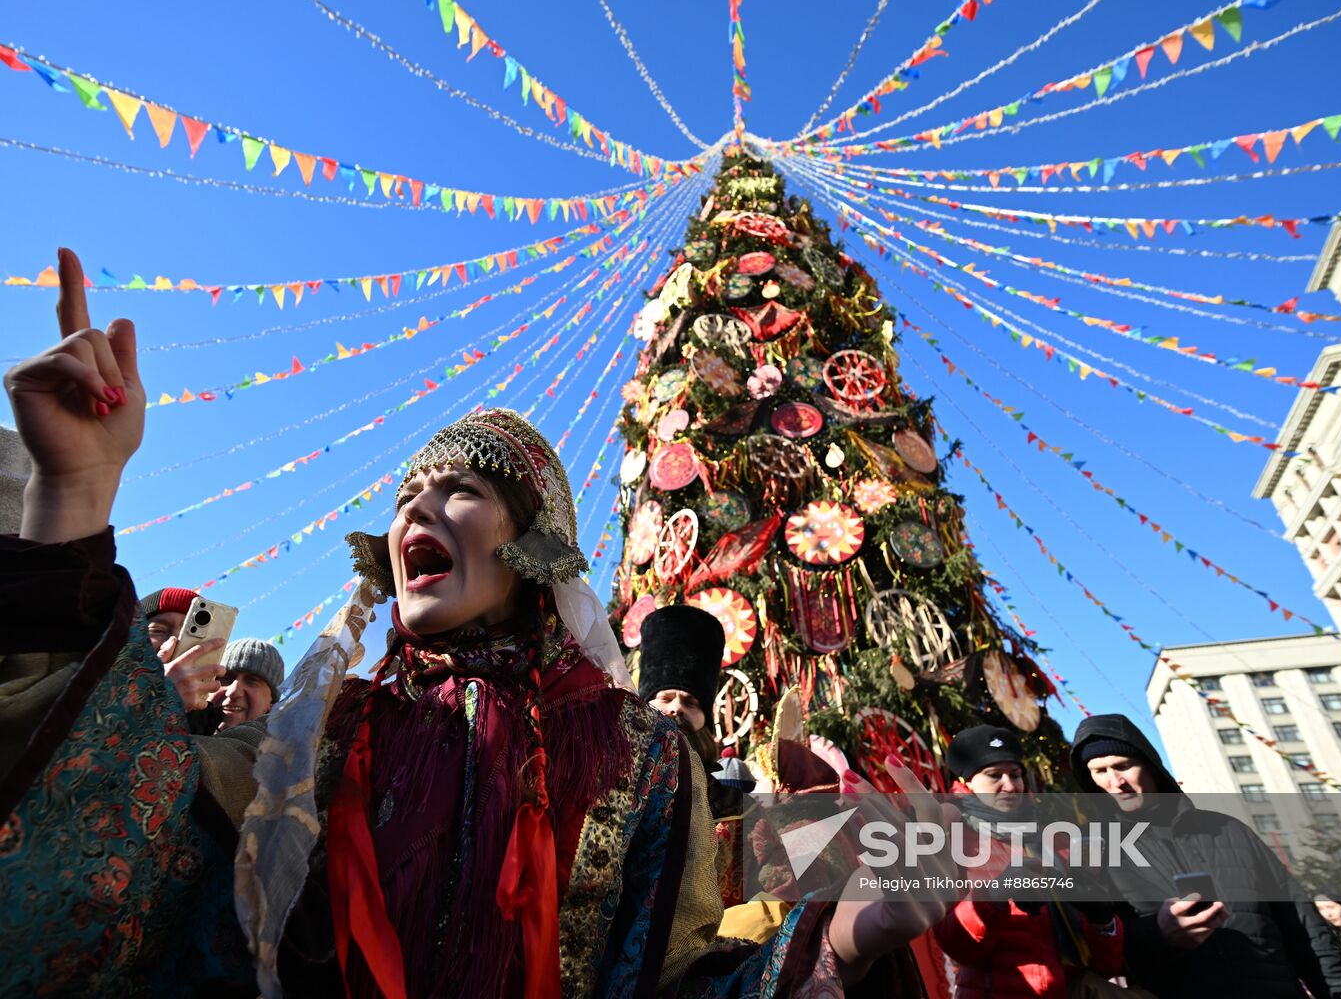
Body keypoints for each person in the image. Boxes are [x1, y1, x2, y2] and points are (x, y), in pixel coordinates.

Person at [0, 248, 955, 996]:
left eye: (455, 489)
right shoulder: (315, 737)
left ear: (533, 550)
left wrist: (839, 939)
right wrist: (73, 496)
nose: (413, 510)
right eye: (406, 495)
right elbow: (125, 852)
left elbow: (670, 983)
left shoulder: (643, 759)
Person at [1071, 714, 1341, 999]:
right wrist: (1158, 935)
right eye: (1100, 772)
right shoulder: (1098, 851)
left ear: (1150, 766)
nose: (1115, 781)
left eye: (1123, 766)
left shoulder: (1229, 830)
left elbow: (1304, 928)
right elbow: (1093, 950)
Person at [933, 725, 1125, 999]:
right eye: (994, 776)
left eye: (1015, 774)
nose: (1010, 786)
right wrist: (995, 896)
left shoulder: (1054, 837)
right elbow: (957, 947)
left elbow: (1107, 965)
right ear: (968, 783)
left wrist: (1103, 921)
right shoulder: (953, 841)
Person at [638, 603, 743, 819]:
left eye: (690, 703)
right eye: (665, 698)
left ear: (706, 719)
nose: (676, 708)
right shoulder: (607, 782)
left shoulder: (733, 803)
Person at [140, 585, 229, 722]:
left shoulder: (212, 725)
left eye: (187, 633)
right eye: (158, 630)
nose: (173, 641)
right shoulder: (101, 688)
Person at [209, 637, 284, 731]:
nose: (232, 692)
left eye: (252, 681)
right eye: (226, 678)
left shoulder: (286, 745)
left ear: (272, 704)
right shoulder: (185, 727)